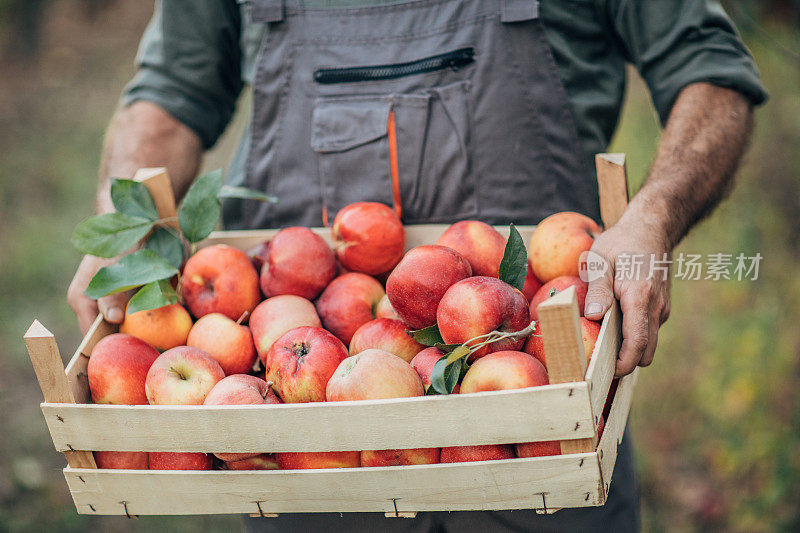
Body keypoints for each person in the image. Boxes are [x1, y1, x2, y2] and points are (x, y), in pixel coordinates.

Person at [67, 1, 767, 531]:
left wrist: (652, 216)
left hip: (544, 417)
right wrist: (123, 213)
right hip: (308, 451)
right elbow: (173, 88)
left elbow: (709, 65)